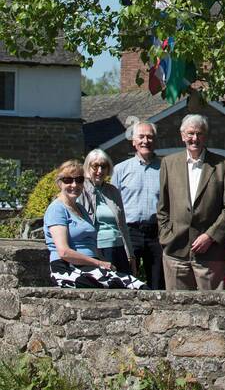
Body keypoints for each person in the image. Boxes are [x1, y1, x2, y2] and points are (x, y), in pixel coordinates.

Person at [157, 114, 225, 290]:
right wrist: (166, 236)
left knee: (213, 309)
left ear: (205, 136)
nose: (194, 138)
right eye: (190, 133)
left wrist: (210, 236)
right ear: (182, 135)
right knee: (177, 310)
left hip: (211, 253)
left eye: (199, 133)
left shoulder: (223, 165)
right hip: (176, 250)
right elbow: (163, 207)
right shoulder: (169, 164)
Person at [44, 160, 145, 289]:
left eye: (79, 180)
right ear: (59, 183)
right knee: (128, 286)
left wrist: (104, 263)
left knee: (135, 284)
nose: (74, 185)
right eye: (68, 180)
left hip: (89, 267)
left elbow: (91, 244)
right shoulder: (57, 209)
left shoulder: (80, 208)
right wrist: (98, 263)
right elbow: (64, 252)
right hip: (67, 268)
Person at [113, 118, 164, 288]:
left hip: (156, 232)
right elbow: (112, 204)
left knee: (158, 283)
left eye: (149, 137)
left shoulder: (166, 168)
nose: (145, 141)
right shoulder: (121, 169)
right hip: (129, 232)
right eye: (141, 137)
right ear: (134, 141)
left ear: (155, 140)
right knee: (127, 281)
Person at [81, 149, 136, 275]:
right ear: (87, 167)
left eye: (103, 166)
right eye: (95, 166)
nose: (99, 171)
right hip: (98, 249)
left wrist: (131, 255)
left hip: (119, 248)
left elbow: (122, 225)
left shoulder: (113, 191)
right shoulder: (81, 190)